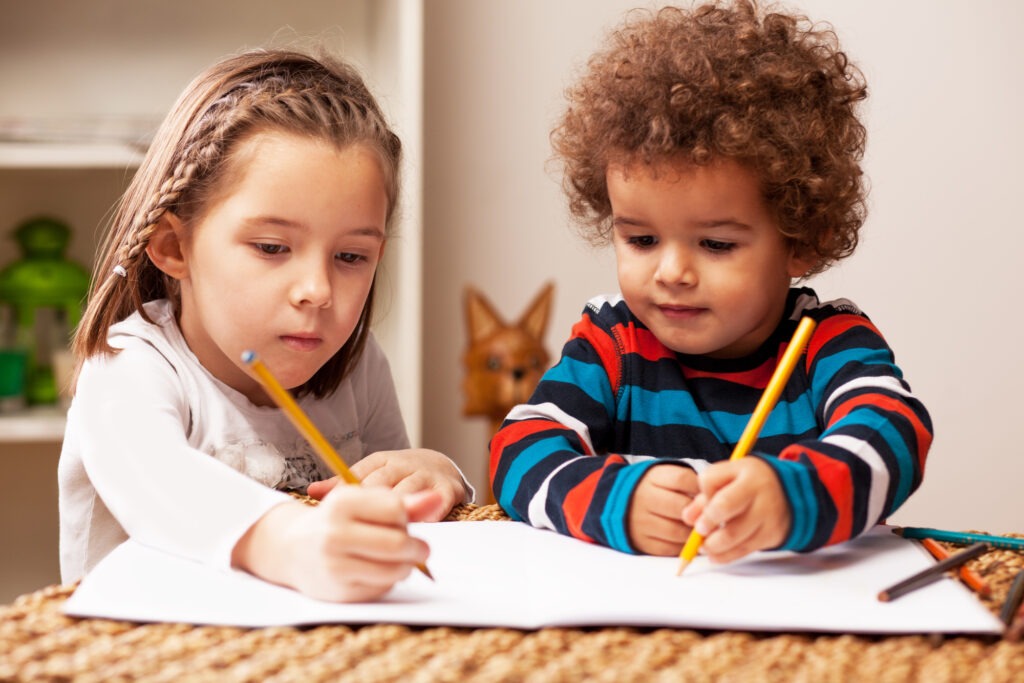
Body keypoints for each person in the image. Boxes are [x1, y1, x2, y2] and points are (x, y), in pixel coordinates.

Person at [490, 0, 931, 565]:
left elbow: (895, 435)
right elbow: (517, 451)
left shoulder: (829, 343)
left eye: (716, 244)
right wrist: (617, 501)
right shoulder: (612, 340)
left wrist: (788, 495)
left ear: (801, 237)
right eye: (642, 240)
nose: (671, 273)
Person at [59, 48, 471, 602]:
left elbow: (384, 503)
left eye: (351, 257)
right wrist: (292, 542)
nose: (318, 291)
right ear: (171, 247)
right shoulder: (125, 369)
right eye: (273, 247)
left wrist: (430, 472)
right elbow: (162, 485)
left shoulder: (358, 365)